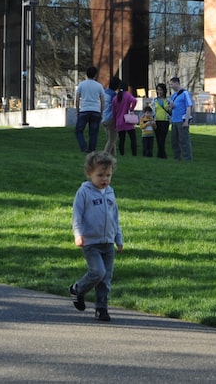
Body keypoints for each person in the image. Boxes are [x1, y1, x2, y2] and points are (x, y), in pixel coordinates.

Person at [68, 150, 122, 323]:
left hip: (108, 243)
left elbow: (115, 217)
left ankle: (101, 308)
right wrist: (78, 235)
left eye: (108, 175)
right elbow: (77, 216)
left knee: (106, 278)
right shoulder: (84, 192)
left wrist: (118, 238)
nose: (104, 179)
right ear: (89, 173)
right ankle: (78, 289)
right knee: (97, 272)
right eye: (100, 175)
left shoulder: (110, 192)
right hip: (91, 242)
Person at [74, 66, 104, 153]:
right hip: (95, 110)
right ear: (95, 75)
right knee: (93, 133)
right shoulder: (99, 86)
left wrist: (77, 111)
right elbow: (102, 100)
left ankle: (84, 147)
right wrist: (101, 112)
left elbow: (77, 98)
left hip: (84, 109)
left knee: (79, 131)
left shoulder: (81, 84)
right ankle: (92, 150)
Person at [168, 76, 193, 161]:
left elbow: (189, 107)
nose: (171, 86)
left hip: (182, 120)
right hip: (174, 120)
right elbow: (170, 109)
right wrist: (171, 107)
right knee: (174, 140)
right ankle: (177, 157)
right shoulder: (173, 95)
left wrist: (186, 120)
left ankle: (187, 158)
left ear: (177, 83)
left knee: (184, 140)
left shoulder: (185, 93)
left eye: (172, 84)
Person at [111, 82, 139, 156]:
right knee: (132, 138)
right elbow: (134, 101)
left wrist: (114, 124)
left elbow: (114, 112)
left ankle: (122, 153)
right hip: (128, 120)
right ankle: (134, 153)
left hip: (119, 121)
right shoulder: (127, 95)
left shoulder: (115, 98)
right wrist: (131, 109)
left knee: (121, 139)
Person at [150, 83, 172, 160]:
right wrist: (152, 120)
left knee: (162, 138)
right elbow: (152, 111)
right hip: (156, 121)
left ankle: (161, 154)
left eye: (161, 90)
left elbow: (170, 110)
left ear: (164, 90)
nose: (159, 91)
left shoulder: (168, 100)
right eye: (158, 90)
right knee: (158, 138)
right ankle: (161, 154)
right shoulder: (154, 100)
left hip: (165, 121)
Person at [99, 77, 120, 154]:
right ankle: (104, 155)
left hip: (104, 118)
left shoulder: (104, 93)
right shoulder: (114, 95)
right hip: (111, 119)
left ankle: (113, 155)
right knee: (112, 140)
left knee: (110, 138)